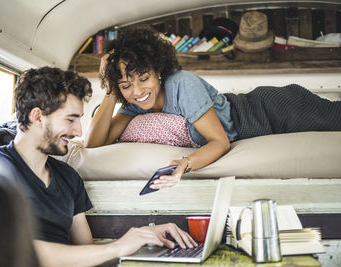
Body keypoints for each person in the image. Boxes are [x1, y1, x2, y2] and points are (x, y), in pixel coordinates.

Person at [0, 67, 196, 267]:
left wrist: (141, 238)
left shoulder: (67, 177)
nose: (77, 131)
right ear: (37, 116)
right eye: (70, 120)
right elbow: (11, 250)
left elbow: (86, 252)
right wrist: (118, 246)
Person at [85, 26, 341, 189]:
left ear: (158, 71)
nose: (138, 91)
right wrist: (111, 89)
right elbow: (94, 145)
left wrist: (184, 164)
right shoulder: (135, 105)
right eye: (126, 86)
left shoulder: (183, 84)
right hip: (260, 117)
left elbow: (219, 142)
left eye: (143, 78)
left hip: (271, 109)